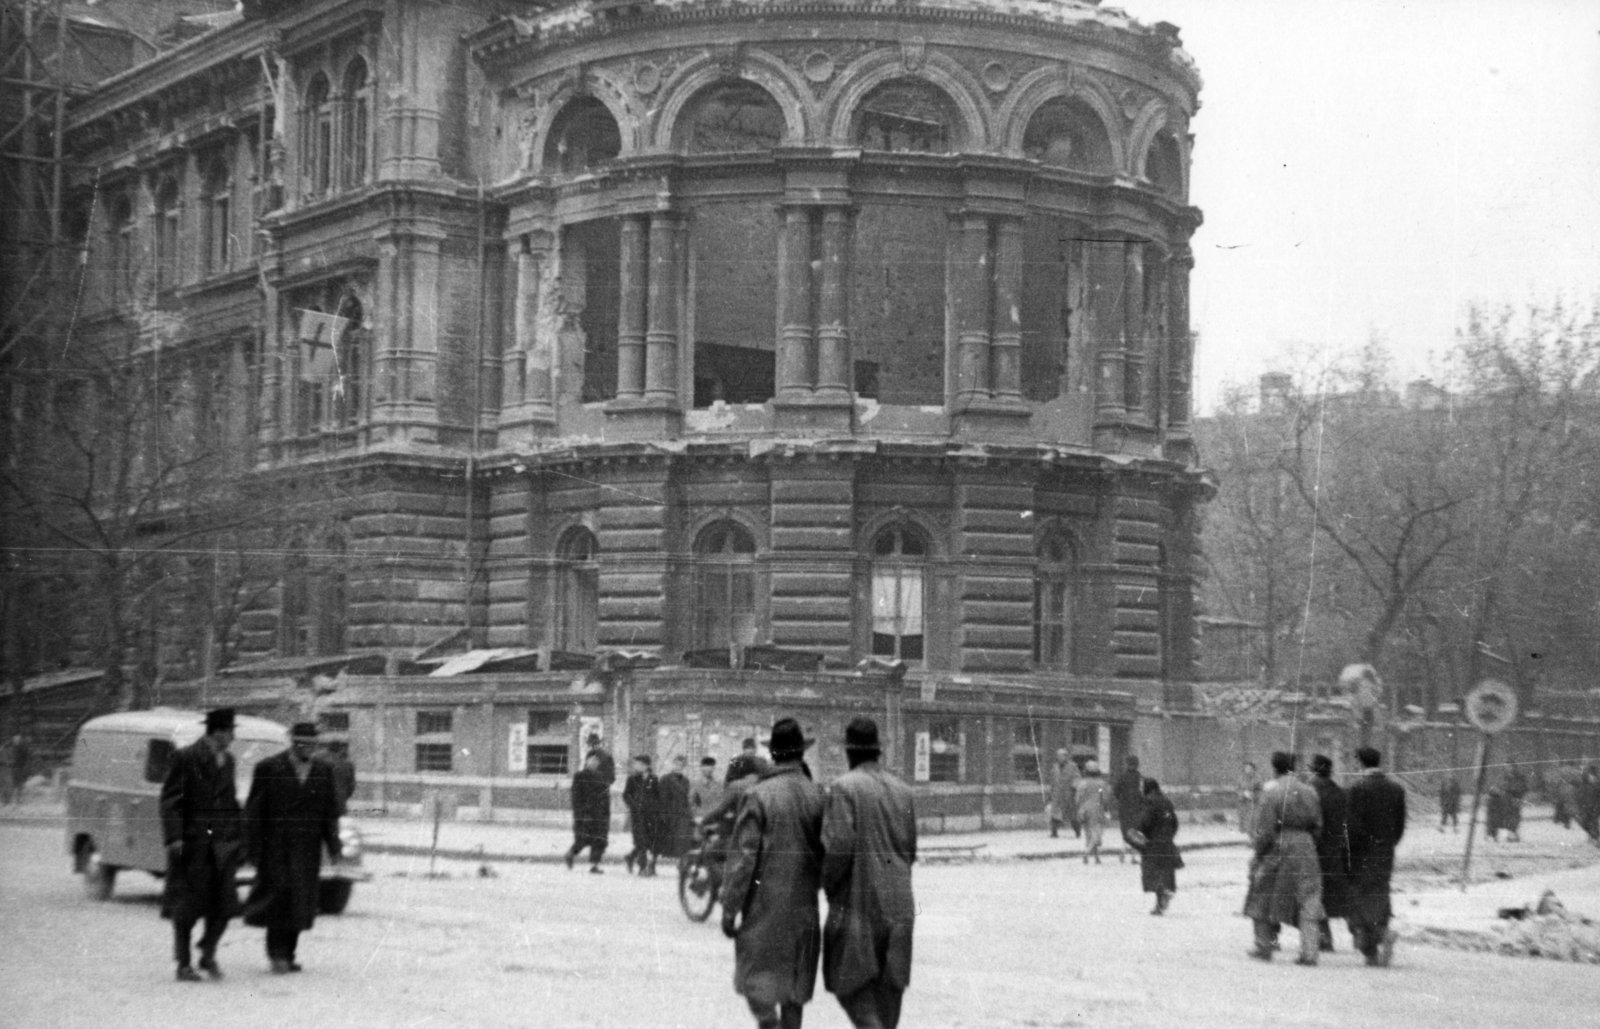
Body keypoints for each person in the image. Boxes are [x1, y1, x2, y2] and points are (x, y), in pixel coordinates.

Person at [721, 717, 826, 1029]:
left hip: (764, 908)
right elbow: (831, 853)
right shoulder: (817, 795)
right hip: (805, 909)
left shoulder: (759, 796)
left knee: (756, 982)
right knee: (794, 990)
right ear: (801, 755)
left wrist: (730, 908)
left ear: (774, 754)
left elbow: (743, 861)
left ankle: (769, 1024)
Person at [821, 717, 917, 1029]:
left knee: (848, 979)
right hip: (900, 901)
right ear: (878, 751)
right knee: (890, 987)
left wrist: (830, 886)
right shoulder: (903, 791)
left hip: (860, 900)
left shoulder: (844, 788)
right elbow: (910, 849)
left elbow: (839, 847)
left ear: (849, 752)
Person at [242, 721, 344, 974]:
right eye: (303, 744)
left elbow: (329, 814)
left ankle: (289, 953)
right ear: (292, 742)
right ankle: (276, 954)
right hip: (275, 847)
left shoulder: (323, 770)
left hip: (307, 848)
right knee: (277, 901)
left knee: (301, 902)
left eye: (312, 744)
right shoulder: (268, 768)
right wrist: (251, 850)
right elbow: (254, 813)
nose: (308, 748)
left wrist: (335, 848)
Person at [159, 708, 244, 982]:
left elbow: (230, 802)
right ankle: (183, 964)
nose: (232, 737)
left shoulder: (228, 761)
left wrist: (239, 835)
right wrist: (175, 838)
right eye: (230, 731)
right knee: (186, 908)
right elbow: (170, 800)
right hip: (193, 845)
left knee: (225, 906)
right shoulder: (187, 757)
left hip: (222, 846)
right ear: (218, 732)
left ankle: (207, 952)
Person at [1243, 750, 1324, 965]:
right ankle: (1310, 951)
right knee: (1308, 897)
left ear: (1274, 768)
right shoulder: (1310, 791)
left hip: (1279, 846)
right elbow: (1318, 825)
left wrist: (1259, 855)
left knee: (1261, 892)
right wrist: (1308, 841)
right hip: (1306, 846)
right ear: (1294, 767)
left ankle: (1264, 946)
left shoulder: (1271, 792)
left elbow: (1265, 830)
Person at [1345, 745, 1407, 967]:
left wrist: (1349, 854)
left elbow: (1351, 828)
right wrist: (1388, 843)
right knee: (1380, 895)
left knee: (1358, 900)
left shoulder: (1355, 789)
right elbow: (1400, 825)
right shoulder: (1396, 789)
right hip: (1385, 851)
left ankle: (1376, 942)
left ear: (1360, 763)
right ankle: (1378, 940)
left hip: (1362, 853)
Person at [1308, 754, 1350, 952]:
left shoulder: (1309, 792)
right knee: (1336, 895)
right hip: (1336, 850)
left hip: (1314, 849)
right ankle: (1364, 934)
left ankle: (1324, 938)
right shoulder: (1340, 793)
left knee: (1313, 894)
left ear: (1313, 770)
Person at [1131, 777, 1182, 915]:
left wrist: (1139, 829)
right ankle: (1160, 904)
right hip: (1167, 843)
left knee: (1153, 874)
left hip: (1153, 844)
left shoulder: (1149, 802)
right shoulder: (1166, 802)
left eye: (1142, 787)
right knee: (1165, 873)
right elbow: (1174, 821)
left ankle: (1161, 899)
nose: (1141, 789)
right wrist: (1169, 835)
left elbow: (1146, 821)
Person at [566, 752, 611, 873]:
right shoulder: (579, 776)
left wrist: (606, 814)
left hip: (599, 814)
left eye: (596, 761)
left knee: (600, 840)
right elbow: (576, 796)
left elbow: (606, 797)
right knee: (582, 840)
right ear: (586, 762)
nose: (594, 763)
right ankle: (571, 854)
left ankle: (594, 865)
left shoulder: (602, 776)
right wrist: (580, 814)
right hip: (585, 814)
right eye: (591, 760)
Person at [622, 755, 663, 876]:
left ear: (646, 765)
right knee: (642, 842)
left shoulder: (654, 779)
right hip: (637, 815)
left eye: (638, 764)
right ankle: (642, 868)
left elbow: (658, 796)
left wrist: (656, 808)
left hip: (651, 816)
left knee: (648, 842)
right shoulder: (632, 779)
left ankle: (630, 857)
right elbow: (626, 795)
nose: (636, 766)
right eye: (635, 764)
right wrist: (633, 805)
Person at [658, 753, 694, 859]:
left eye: (681, 765)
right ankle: (667, 855)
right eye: (677, 764)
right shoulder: (665, 778)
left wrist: (688, 812)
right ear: (673, 764)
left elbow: (685, 797)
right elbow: (661, 797)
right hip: (669, 810)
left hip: (681, 811)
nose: (679, 767)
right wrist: (662, 812)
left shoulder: (685, 781)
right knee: (669, 834)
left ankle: (678, 856)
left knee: (680, 835)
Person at [1074, 760, 1109, 864]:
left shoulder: (1082, 783)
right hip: (1097, 810)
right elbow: (1104, 798)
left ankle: (1096, 857)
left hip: (1083, 810)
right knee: (1097, 834)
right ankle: (1087, 853)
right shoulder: (1101, 784)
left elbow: (1077, 799)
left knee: (1088, 834)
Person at [1113, 755, 1144, 864]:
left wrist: (1122, 799)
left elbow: (1116, 791)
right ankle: (1133, 856)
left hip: (1124, 809)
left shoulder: (1123, 777)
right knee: (1134, 832)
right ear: (1137, 765)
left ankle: (1123, 850)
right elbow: (1143, 793)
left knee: (1125, 831)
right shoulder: (1140, 778)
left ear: (1127, 764)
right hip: (1137, 809)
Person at [1048, 749, 1080, 839]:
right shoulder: (1055, 767)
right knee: (1055, 813)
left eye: (1061, 756)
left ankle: (1077, 831)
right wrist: (1051, 792)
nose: (1059, 758)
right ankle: (1054, 832)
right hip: (1057, 793)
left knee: (1072, 814)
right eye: (1058, 756)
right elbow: (1052, 780)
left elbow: (1077, 777)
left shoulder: (1072, 766)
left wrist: (1074, 788)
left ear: (1065, 757)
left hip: (1068, 793)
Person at [322, 743, 357, 816]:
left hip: (322, 801)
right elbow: (351, 786)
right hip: (339, 800)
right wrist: (343, 795)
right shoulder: (347, 764)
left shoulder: (319, 761)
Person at [692, 756, 726, 825]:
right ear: (701, 768)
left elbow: (723, 802)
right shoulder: (695, 785)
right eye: (705, 766)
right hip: (701, 820)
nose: (707, 769)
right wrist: (696, 816)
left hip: (717, 821)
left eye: (710, 766)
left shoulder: (719, 784)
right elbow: (691, 803)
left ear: (713, 768)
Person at [1501, 765, 1528, 843]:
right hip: (1508, 799)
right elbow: (1504, 787)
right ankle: (1511, 834)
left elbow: (1524, 787)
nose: (1508, 768)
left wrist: (1519, 794)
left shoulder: (1519, 777)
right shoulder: (1506, 776)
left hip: (1516, 798)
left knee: (1515, 816)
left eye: (1509, 766)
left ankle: (1514, 834)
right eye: (1506, 767)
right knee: (1508, 816)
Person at [1577, 764, 1600, 845]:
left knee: (1593, 822)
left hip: (1595, 806)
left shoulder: (1597, 784)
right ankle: (1592, 836)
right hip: (1586, 805)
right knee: (1585, 821)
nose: (1590, 777)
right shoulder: (1584, 784)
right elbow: (1580, 794)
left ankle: (1596, 839)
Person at [1238, 761, 1262, 834]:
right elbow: (1238, 789)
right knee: (1244, 819)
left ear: (1253, 769)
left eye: (1249, 768)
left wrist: (1252, 795)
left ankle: (1253, 834)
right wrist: (1243, 793)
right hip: (1244, 802)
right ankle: (1245, 834)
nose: (1247, 770)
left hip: (1254, 803)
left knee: (1254, 820)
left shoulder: (1257, 778)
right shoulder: (1241, 778)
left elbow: (1260, 790)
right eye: (1246, 768)